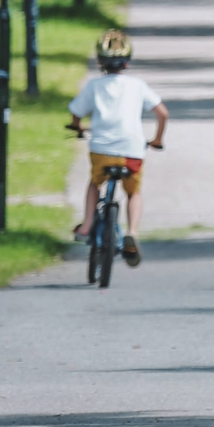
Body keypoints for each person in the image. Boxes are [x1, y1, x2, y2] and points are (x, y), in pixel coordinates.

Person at [68, 28, 168, 267]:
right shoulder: (137, 85)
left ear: (100, 61)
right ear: (127, 62)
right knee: (133, 192)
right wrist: (157, 139)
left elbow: (75, 113)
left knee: (95, 183)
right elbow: (163, 113)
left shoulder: (94, 86)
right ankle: (132, 231)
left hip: (102, 150)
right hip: (132, 151)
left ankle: (87, 223)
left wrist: (77, 127)